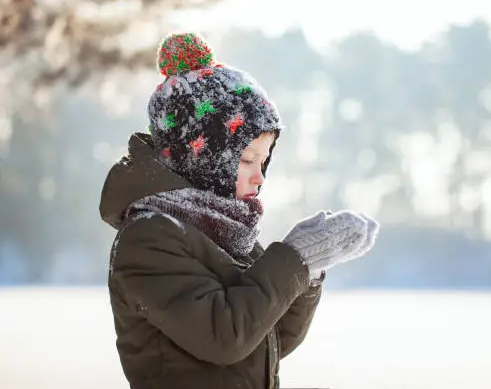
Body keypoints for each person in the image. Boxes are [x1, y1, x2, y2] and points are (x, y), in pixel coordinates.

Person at [99, 32, 379, 389]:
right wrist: (294, 259)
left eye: (263, 161)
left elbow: (270, 340)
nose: (259, 177)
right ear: (202, 156)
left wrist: (309, 271)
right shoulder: (149, 238)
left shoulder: (225, 230)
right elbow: (226, 337)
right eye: (247, 159)